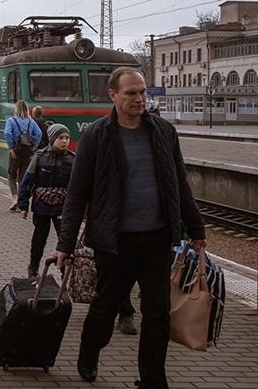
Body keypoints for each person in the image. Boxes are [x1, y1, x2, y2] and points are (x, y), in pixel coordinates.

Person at [53, 67, 206, 389]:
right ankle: (89, 353)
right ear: (113, 95)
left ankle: (153, 379)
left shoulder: (163, 132)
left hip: (158, 239)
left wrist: (197, 230)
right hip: (115, 242)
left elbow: (179, 184)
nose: (139, 99)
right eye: (131, 93)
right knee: (105, 308)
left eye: (142, 92)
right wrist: (65, 244)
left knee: (157, 314)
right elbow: (77, 193)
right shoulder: (97, 135)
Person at [17, 123, 73, 277]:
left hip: (62, 207)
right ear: (52, 138)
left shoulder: (72, 159)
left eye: (67, 138)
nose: (64, 141)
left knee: (64, 239)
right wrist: (23, 205)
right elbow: (27, 181)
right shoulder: (40, 157)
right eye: (61, 138)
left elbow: (77, 187)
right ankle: (33, 268)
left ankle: (63, 271)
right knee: (39, 238)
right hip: (42, 206)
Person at [4, 100, 42, 211]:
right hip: (27, 152)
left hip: (16, 152)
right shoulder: (31, 121)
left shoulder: (11, 120)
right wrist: (33, 147)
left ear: (16, 109)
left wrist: (11, 147)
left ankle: (15, 198)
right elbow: (38, 134)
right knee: (22, 177)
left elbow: (7, 133)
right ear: (26, 109)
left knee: (11, 175)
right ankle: (22, 202)